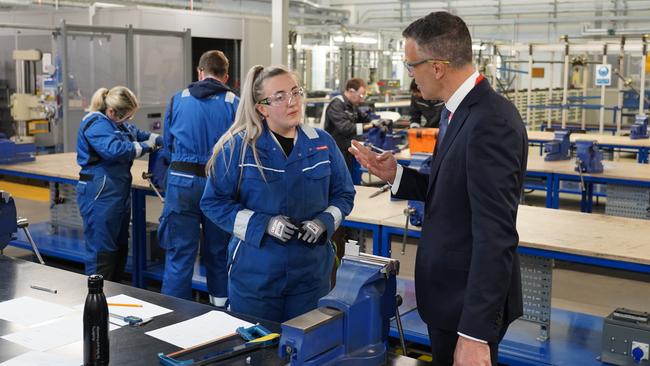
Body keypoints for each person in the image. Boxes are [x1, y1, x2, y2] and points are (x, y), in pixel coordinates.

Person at [349, 12, 527, 366]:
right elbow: (451, 189)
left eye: (411, 65)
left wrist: (475, 334)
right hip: (448, 296)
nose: (410, 76)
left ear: (438, 67)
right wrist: (396, 175)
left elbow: (496, 235)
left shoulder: (491, 121)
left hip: (466, 306)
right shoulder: (454, 113)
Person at [200, 65, 355, 323]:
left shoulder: (322, 143)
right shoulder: (238, 148)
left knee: (307, 353)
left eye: (295, 92)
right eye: (280, 97)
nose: (292, 102)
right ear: (262, 107)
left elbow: (344, 195)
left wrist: (324, 223)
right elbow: (213, 202)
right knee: (257, 353)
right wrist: (264, 224)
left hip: (311, 277)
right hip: (256, 279)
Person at [157, 50, 239, 303]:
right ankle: (221, 312)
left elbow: (167, 144)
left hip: (181, 182)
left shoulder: (177, 100)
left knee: (180, 252)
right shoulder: (233, 102)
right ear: (225, 76)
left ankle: (172, 314)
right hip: (217, 184)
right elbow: (241, 147)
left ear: (199, 72)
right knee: (218, 252)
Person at [76, 86, 162, 281]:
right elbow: (116, 150)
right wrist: (148, 147)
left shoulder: (117, 123)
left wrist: (163, 140)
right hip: (99, 192)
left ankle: (115, 295)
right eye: (127, 116)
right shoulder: (95, 124)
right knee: (102, 248)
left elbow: (138, 134)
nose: (129, 121)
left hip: (116, 191)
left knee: (120, 245)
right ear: (112, 111)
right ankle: (97, 299)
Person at [324, 78, 374, 173]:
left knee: (350, 176)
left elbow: (364, 118)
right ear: (351, 91)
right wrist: (368, 126)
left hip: (348, 148)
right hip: (336, 150)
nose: (362, 99)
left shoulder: (352, 104)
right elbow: (346, 128)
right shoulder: (336, 105)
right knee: (340, 179)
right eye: (361, 95)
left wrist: (376, 121)